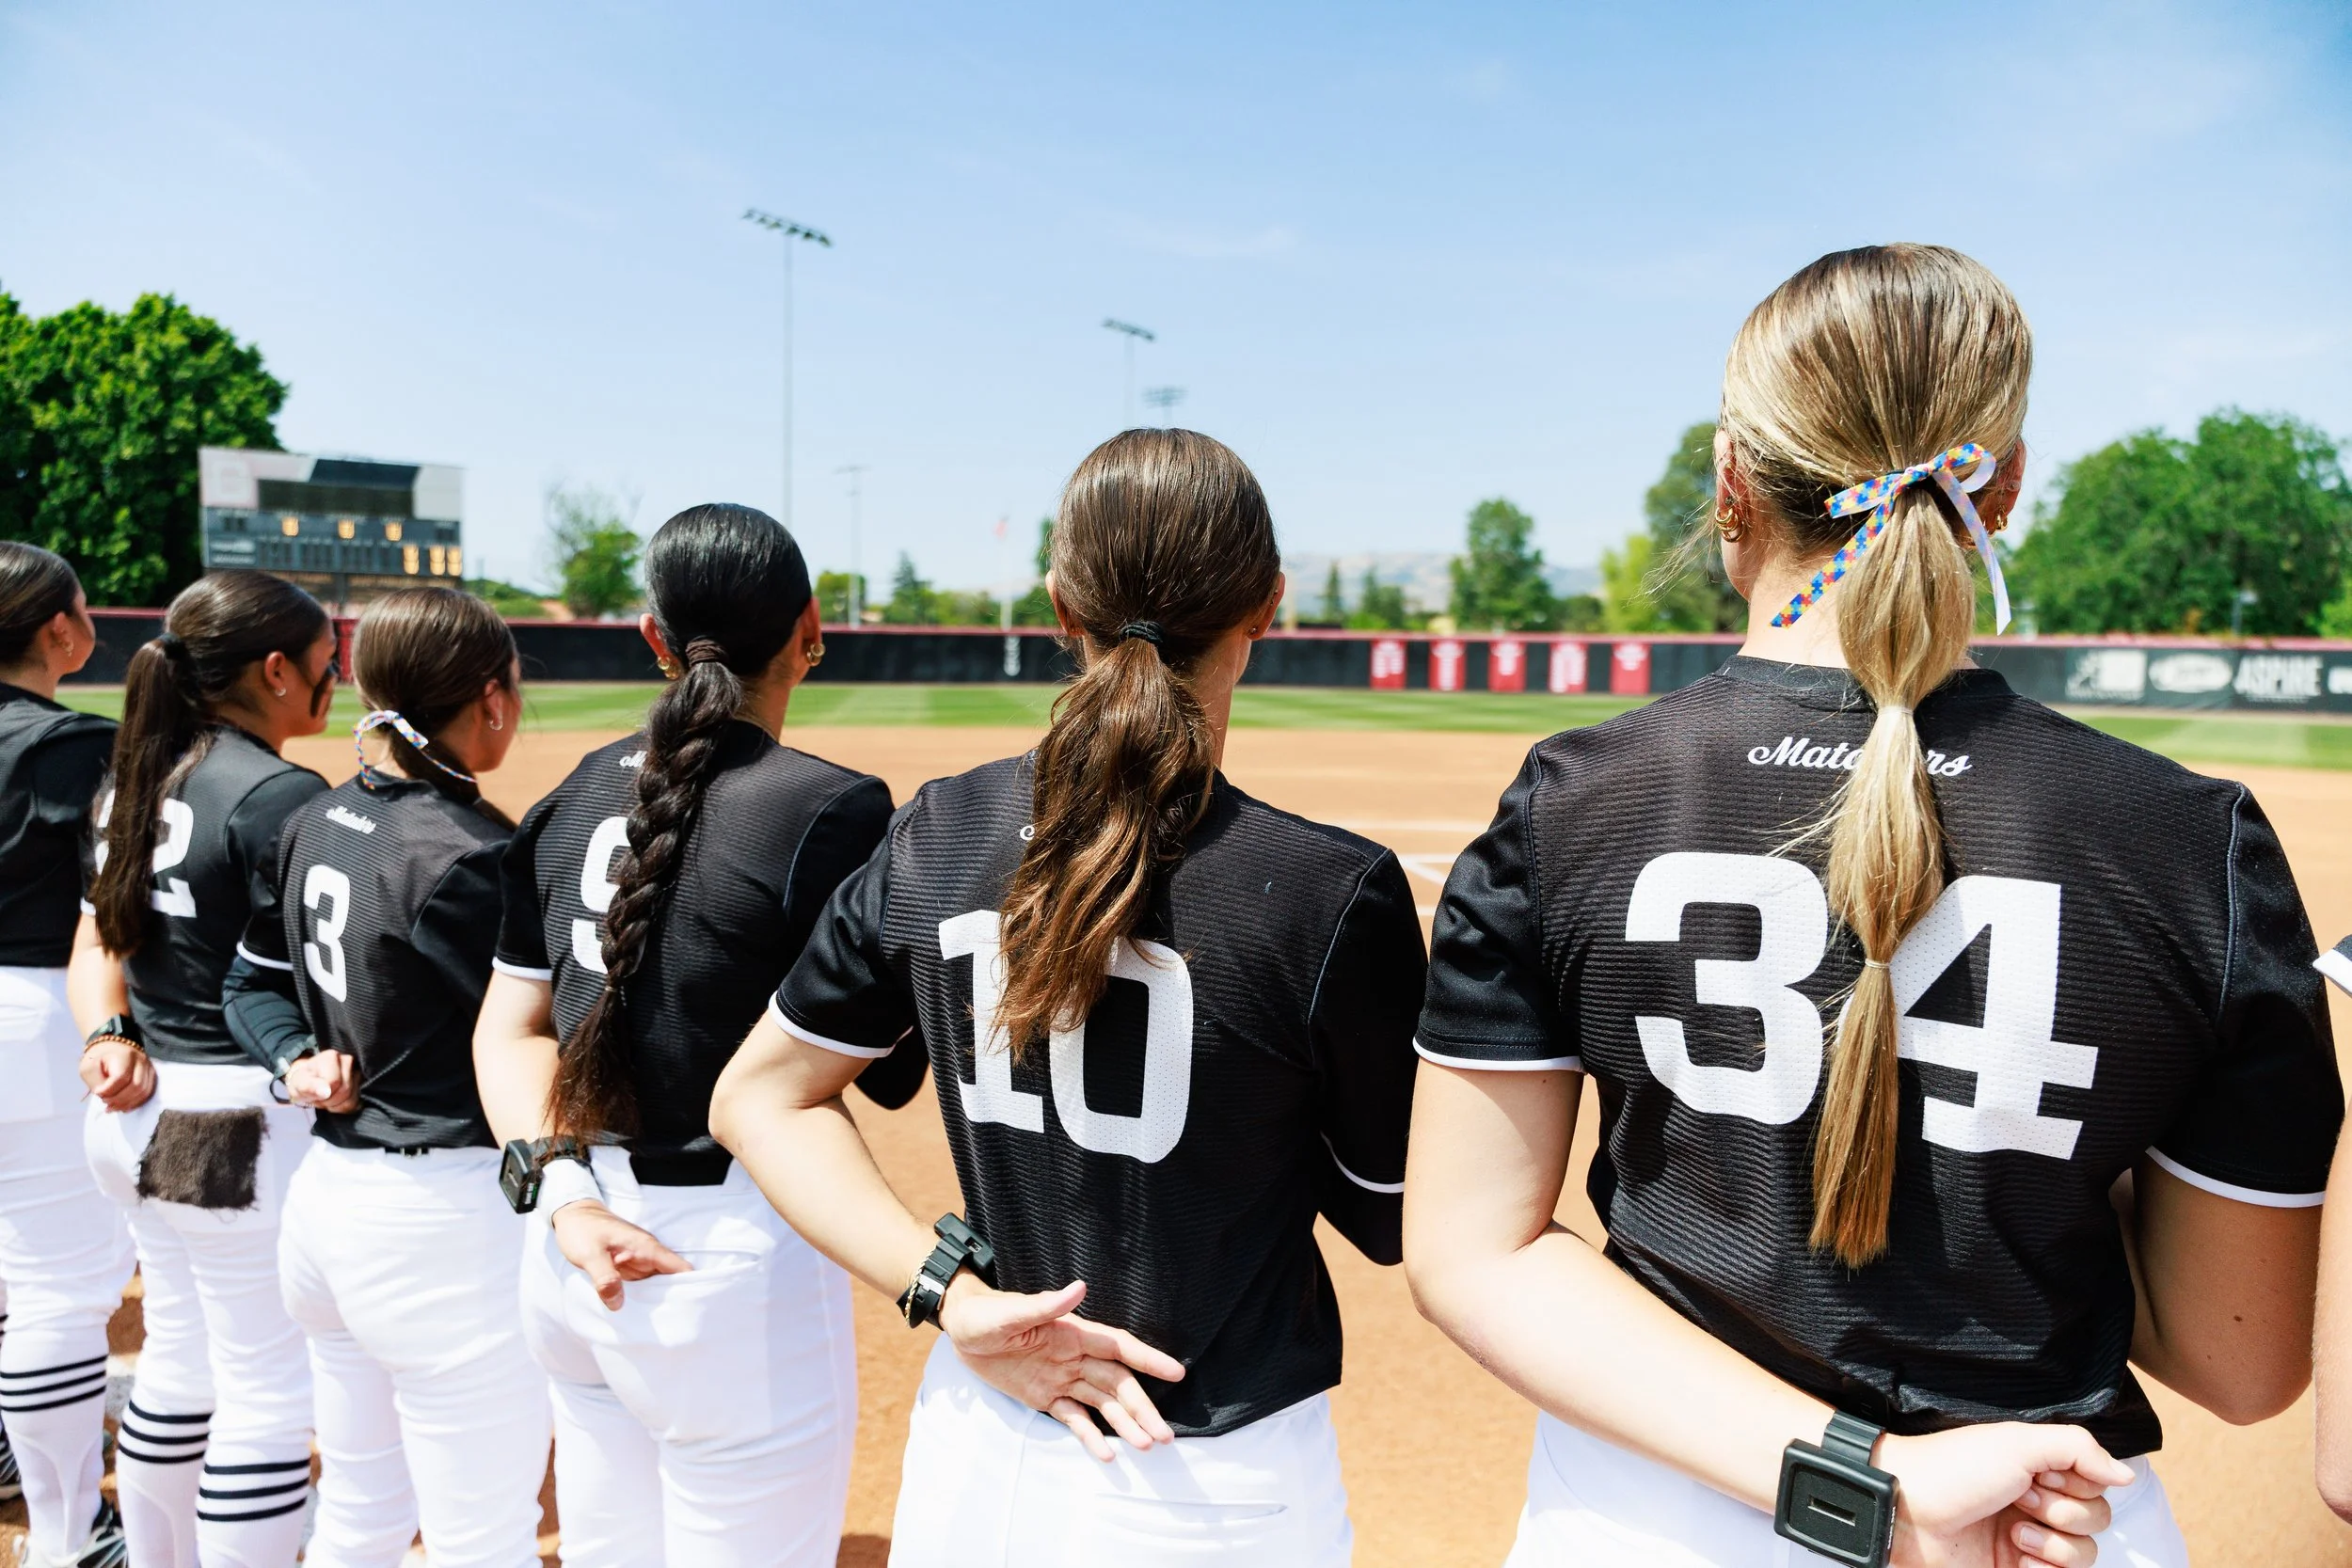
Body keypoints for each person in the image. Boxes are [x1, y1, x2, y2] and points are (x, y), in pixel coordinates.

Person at [1403, 244, 2340, 1568]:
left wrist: (1864, 1478)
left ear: (1731, 479)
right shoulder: (2193, 844)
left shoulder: (1574, 799)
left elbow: (1470, 1251)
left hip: (1649, 1518)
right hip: (2052, 1522)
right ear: (2002, 486)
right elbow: (2239, 1358)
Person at [711, 428, 1426, 1567]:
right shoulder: (1332, 893)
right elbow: (1394, 1215)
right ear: (1268, 604)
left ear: (1058, 605)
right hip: (1211, 1476)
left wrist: (945, 1290)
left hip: (978, 1444)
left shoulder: (938, 831)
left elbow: (760, 1095)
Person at [473, 503, 909, 1568]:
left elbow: (510, 1028)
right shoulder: (833, 806)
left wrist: (565, 1194)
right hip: (726, 1261)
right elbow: (891, 1072)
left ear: (652, 639)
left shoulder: (571, 792)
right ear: (810, 630)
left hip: (571, 1246)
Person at [218, 586, 548, 1567]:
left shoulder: (316, 816)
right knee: (479, 1533)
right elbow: (547, 1043)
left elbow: (248, 984)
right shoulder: (471, 853)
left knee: (360, 1505)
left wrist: (290, 1057)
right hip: (441, 1223)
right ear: (490, 698)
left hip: (327, 1209)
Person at [69, 569, 338, 1568]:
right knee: (268, 1390)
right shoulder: (277, 793)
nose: (330, 682)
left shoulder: (140, 770)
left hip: (139, 1107)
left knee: (181, 1360)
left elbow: (100, 940)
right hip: (232, 1122)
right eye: (323, 665)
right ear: (274, 670)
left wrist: (109, 1033)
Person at [0, 544, 135, 1568]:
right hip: (32, 1006)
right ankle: (68, 1533)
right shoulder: (75, 744)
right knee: (57, 1284)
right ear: (57, 631)